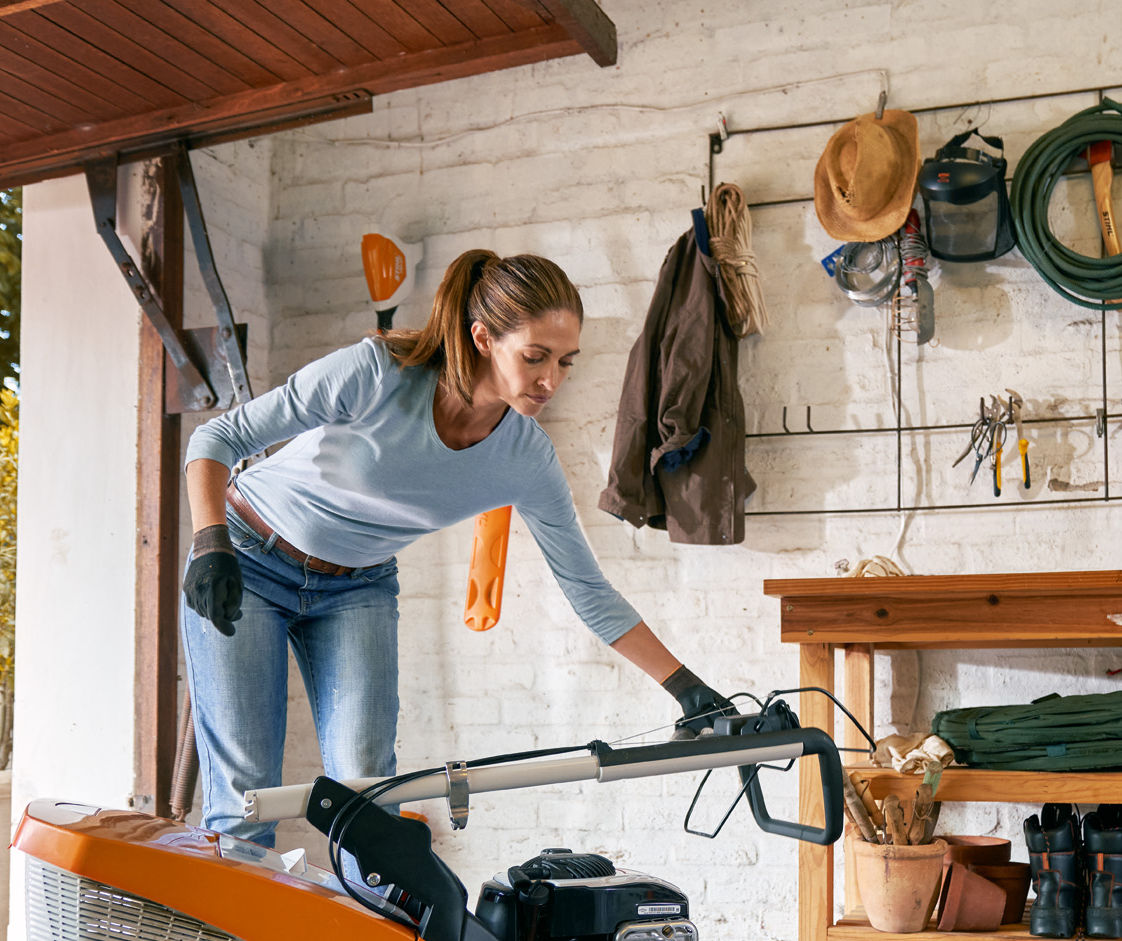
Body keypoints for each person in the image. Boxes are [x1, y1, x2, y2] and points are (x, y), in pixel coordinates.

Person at [179, 249, 731, 845]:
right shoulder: (377, 372)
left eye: (566, 362)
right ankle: (232, 939)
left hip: (355, 587)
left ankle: (361, 936)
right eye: (535, 357)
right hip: (248, 556)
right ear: (482, 337)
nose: (552, 380)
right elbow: (217, 436)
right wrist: (211, 541)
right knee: (246, 801)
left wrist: (687, 688)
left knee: (368, 803)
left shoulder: (525, 457)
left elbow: (586, 588)